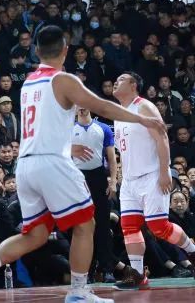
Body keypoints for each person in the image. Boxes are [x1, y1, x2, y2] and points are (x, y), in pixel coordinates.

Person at [0, 25, 167, 303]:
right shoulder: (62, 80)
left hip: (25, 166)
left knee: (35, 234)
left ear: (36, 51)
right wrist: (142, 119)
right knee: (86, 224)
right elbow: (102, 106)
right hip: (52, 163)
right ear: (66, 50)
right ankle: (79, 291)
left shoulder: (28, 82)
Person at [111, 72, 195, 289]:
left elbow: (162, 138)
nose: (116, 82)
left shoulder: (144, 106)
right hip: (130, 180)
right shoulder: (117, 113)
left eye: (121, 79)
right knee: (129, 227)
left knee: (158, 227)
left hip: (152, 175)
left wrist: (165, 171)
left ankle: (194, 254)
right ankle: (138, 275)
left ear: (133, 85)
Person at [70, 106, 120, 283]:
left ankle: (107, 269)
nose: (81, 107)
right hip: (77, 178)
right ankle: (86, 271)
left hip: (98, 177)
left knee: (103, 225)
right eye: (77, 104)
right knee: (82, 226)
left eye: (84, 104)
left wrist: (113, 181)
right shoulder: (68, 129)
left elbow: (111, 158)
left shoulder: (103, 128)